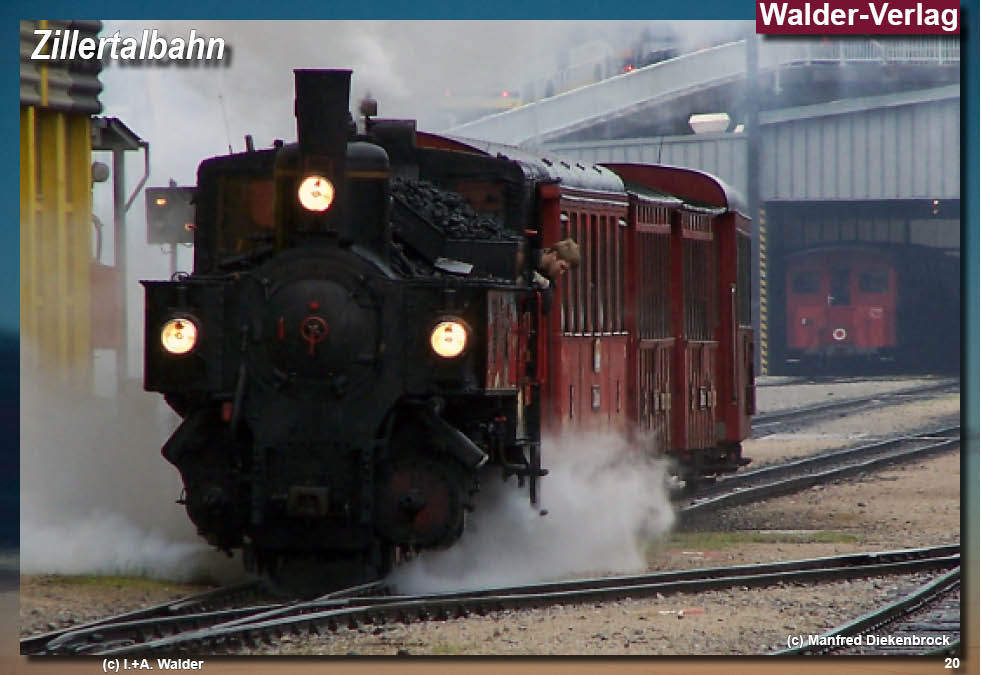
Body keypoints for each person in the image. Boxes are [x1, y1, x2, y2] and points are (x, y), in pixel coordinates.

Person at [531, 238, 580, 313]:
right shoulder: (529, 255)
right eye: (562, 266)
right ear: (555, 255)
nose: (561, 273)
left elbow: (545, 307)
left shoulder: (550, 283)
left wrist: (544, 285)